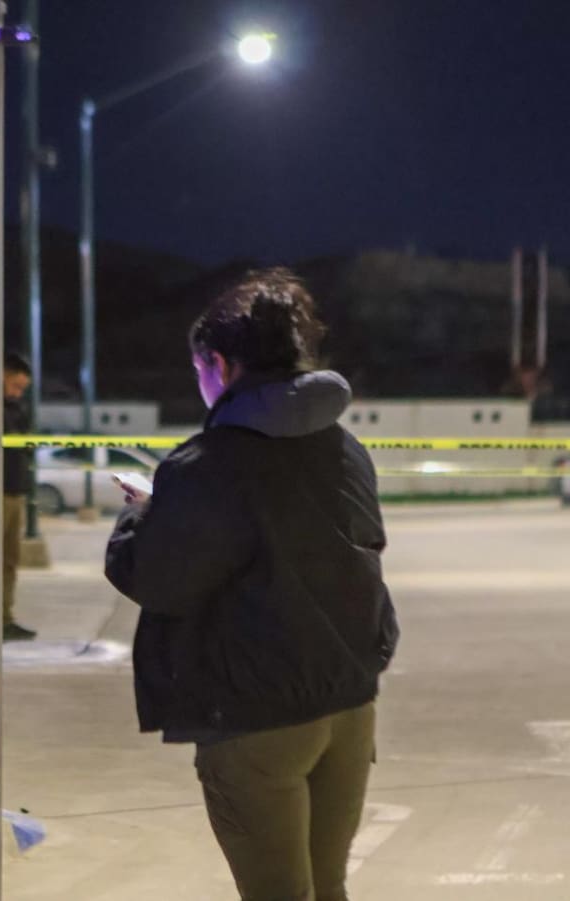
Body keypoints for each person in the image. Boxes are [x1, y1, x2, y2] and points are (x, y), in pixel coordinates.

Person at [104, 268, 399, 901]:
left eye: (200, 371)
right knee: (328, 889)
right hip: (349, 705)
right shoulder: (345, 448)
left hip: (257, 721)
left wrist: (139, 515)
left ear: (219, 363)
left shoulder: (209, 464)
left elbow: (158, 578)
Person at [1, 351, 38, 641]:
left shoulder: (17, 409)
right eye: (15, 385)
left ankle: (4, 618)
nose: (18, 392)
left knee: (10, 560)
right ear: (2, 375)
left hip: (15, 491)